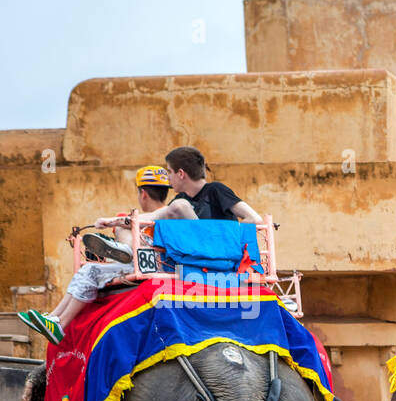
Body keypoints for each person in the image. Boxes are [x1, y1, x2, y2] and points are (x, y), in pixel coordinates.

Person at [17, 166, 197, 345]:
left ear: (143, 193)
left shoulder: (154, 216)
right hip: (154, 263)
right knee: (90, 267)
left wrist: (111, 222)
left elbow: (147, 218)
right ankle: (53, 318)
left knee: (92, 269)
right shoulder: (165, 215)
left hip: (151, 266)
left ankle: (60, 323)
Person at [163, 146, 262, 223]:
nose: (168, 177)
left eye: (169, 171)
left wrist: (222, 235)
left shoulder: (215, 190)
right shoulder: (180, 198)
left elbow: (254, 219)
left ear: (181, 173)